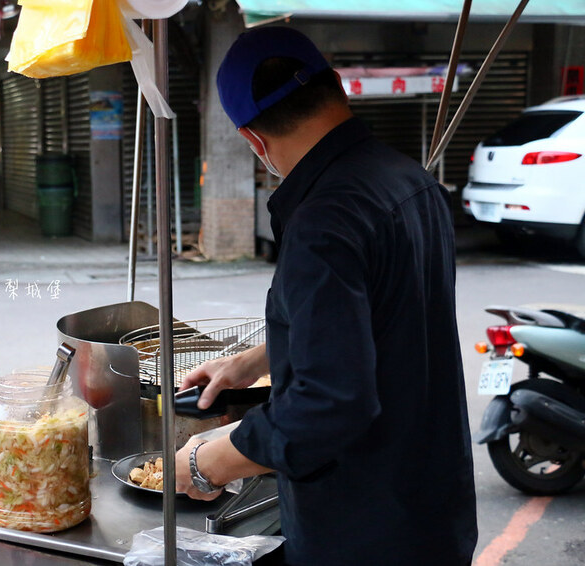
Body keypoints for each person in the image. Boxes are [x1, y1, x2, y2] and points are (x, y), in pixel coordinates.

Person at [174, 26, 478, 565]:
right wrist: (254, 361)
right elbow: (384, 315)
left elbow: (328, 405)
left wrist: (210, 460)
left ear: (252, 139)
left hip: (362, 530)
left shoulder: (323, 221)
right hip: (434, 509)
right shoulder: (411, 181)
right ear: (337, 83)